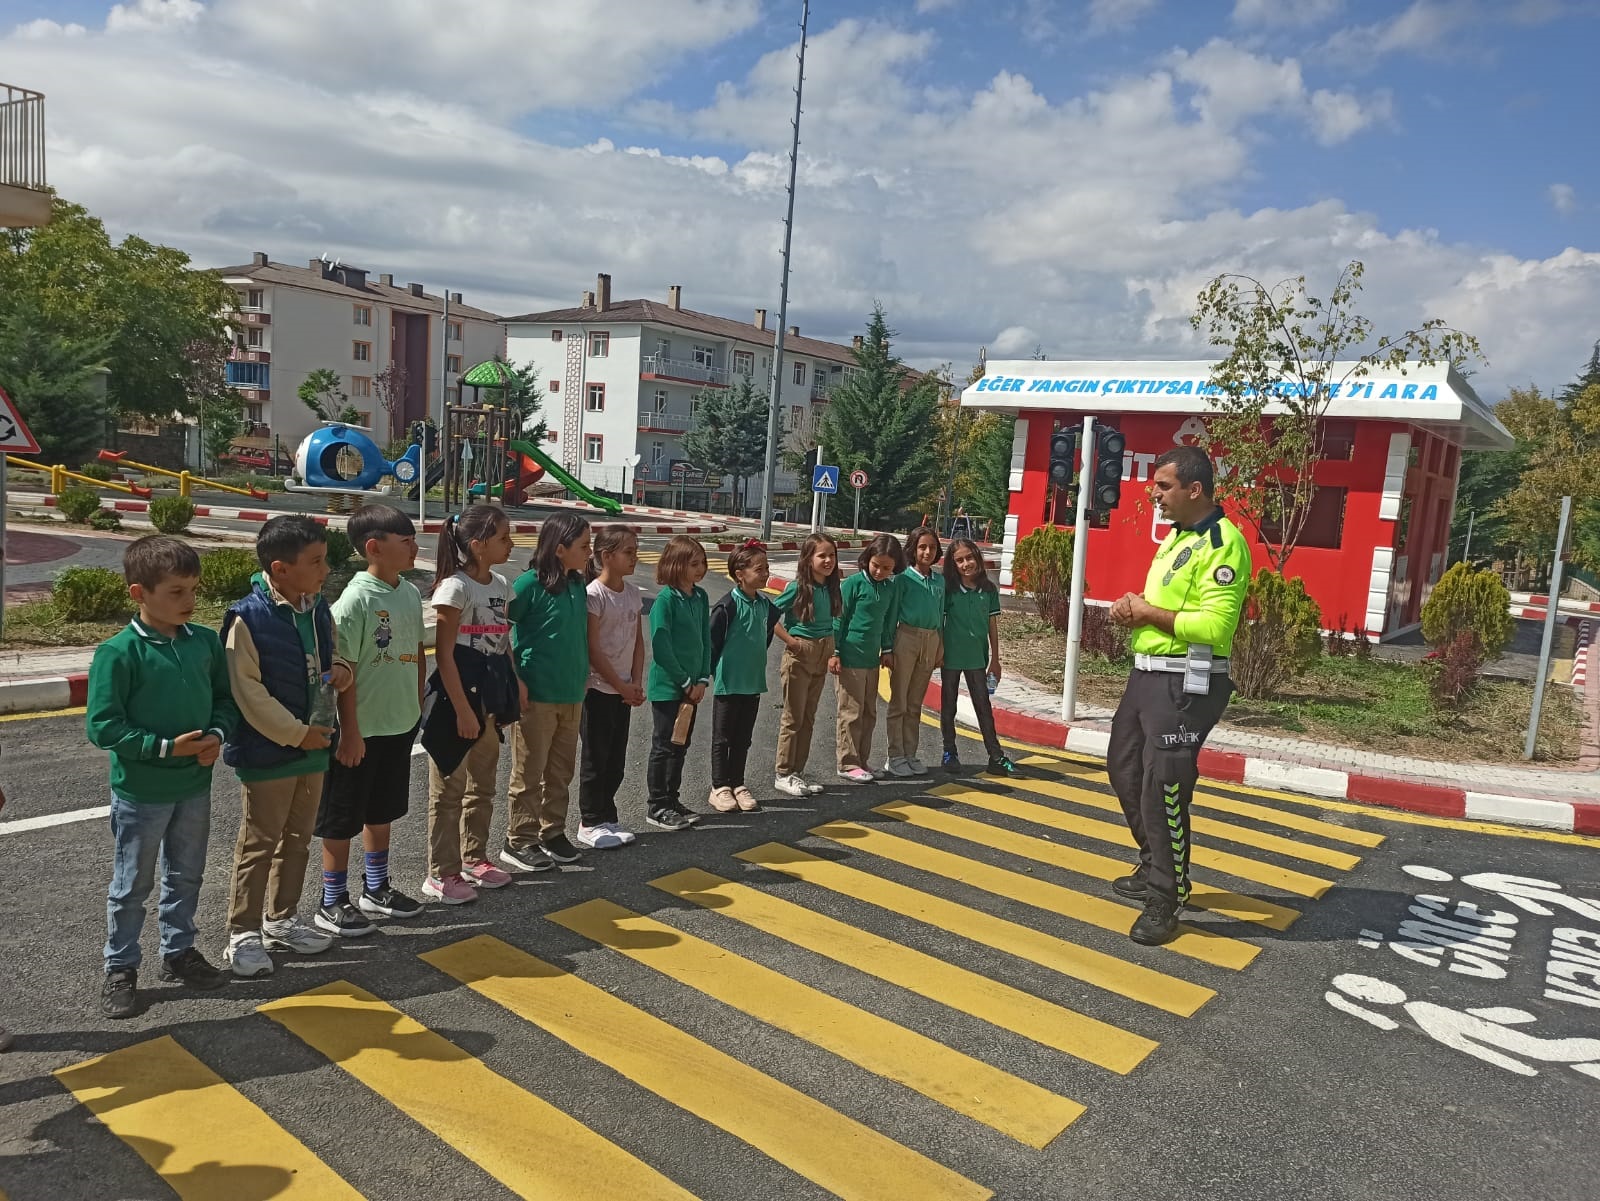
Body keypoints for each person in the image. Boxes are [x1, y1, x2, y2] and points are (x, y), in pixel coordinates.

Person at [87, 536, 239, 1018]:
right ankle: (120, 966)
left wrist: (216, 734)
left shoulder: (205, 642)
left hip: (193, 786)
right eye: (176, 592)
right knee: (132, 882)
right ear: (139, 594)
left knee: (187, 874)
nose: (189, 601)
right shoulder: (119, 652)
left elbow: (225, 701)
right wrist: (165, 747)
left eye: (193, 589)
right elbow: (103, 725)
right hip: (142, 791)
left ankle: (178, 952)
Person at [1106, 445, 1250, 946]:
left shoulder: (1222, 542)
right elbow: (1162, 606)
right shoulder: (1176, 538)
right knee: (1123, 769)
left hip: (1186, 681)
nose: (1153, 494)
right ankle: (1155, 865)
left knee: (1161, 787)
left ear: (1195, 489)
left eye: (1163, 486)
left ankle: (1167, 896)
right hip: (1146, 675)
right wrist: (1134, 610)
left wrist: (1146, 614)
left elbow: (1215, 623)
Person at [221, 516, 350, 978]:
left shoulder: (316, 608)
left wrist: (341, 671)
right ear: (280, 568)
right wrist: (298, 733)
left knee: (297, 838)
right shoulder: (247, 617)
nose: (325, 569)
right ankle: (243, 933)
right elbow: (248, 692)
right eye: (315, 561)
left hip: (314, 743)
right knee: (260, 841)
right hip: (269, 751)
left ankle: (282, 920)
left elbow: (330, 655)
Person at [313, 505, 426, 937]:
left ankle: (375, 888)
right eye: (406, 541)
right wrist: (351, 732)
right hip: (359, 731)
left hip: (399, 723)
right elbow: (346, 674)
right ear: (374, 548)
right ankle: (332, 898)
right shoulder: (355, 601)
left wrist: (416, 704)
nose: (415, 547)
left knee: (383, 811)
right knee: (342, 817)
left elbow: (416, 653)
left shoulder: (410, 593)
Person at [421, 505, 523, 902]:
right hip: (456, 699)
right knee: (448, 790)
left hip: (490, 697)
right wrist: (463, 710)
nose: (510, 544)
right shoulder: (454, 588)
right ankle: (441, 872)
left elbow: (502, 641)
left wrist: (515, 685)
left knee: (482, 786)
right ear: (478, 545)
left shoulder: (500, 585)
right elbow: (443, 655)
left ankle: (474, 857)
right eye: (503, 538)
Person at [506, 513, 593, 869]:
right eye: (584, 546)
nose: (589, 553)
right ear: (559, 549)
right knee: (528, 772)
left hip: (571, 693)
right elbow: (500, 630)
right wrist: (516, 679)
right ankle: (519, 839)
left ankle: (552, 831)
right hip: (537, 694)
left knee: (560, 771)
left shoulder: (576, 584)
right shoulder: (528, 585)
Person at [709, 540, 794, 811]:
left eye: (766, 568)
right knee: (723, 738)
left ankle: (738, 783)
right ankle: (719, 786)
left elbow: (766, 635)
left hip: (752, 681)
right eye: (759, 569)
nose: (765, 573)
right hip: (729, 682)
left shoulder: (765, 607)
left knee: (743, 738)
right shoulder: (727, 607)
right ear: (740, 574)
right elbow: (712, 643)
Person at [579, 525, 646, 849]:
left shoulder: (632, 594)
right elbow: (593, 648)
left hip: (623, 689)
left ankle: (607, 815)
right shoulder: (594, 595)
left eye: (635, 550)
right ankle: (589, 821)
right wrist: (619, 684)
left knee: (616, 758)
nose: (635, 558)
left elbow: (638, 642)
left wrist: (635, 682)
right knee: (596, 757)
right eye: (628, 552)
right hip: (599, 689)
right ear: (606, 556)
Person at [646, 535, 711, 830]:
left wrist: (701, 679)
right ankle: (657, 805)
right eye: (693, 564)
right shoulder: (666, 600)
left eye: (702, 563)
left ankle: (672, 798)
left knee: (680, 744)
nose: (700, 569)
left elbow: (706, 641)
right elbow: (662, 648)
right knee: (664, 745)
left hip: (692, 687)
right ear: (675, 565)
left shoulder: (700, 597)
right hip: (669, 687)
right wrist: (685, 681)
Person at [772, 533, 842, 797]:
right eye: (821, 555)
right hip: (801, 653)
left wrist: (833, 651)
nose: (828, 561)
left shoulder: (831, 588)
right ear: (808, 559)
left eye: (831, 555)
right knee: (793, 716)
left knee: (809, 716)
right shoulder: (798, 587)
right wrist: (791, 641)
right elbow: (770, 615)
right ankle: (783, 772)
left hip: (822, 651)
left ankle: (797, 772)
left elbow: (834, 620)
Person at [939, 539, 1016, 780]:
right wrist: (938, 652)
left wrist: (995, 660)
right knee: (948, 706)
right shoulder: (948, 589)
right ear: (953, 564)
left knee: (983, 706)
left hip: (977, 659)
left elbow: (992, 625)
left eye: (969, 558)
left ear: (977, 558)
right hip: (951, 657)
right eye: (959, 560)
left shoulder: (988, 590)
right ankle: (949, 751)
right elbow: (940, 624)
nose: (966, 564)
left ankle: (995, 756)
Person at [831, 535, 903, 783]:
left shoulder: (890, 588)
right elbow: (839, 620)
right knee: (850, 712)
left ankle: (862, 760)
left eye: (887, 568)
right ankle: (847, 763)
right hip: (850, 657)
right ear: (867, 559)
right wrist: (835, 652)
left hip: (872, 660)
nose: (880, 571)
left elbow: (887, 623)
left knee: (868, 713)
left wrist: (888, 649)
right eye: (876, 565)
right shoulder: (853, 585)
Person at [884, 526, 944, 778]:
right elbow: (891, 616)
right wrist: (887, 648)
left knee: (915, 702)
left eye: (931, 547)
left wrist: (941, 646)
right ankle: (895, 756)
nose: (927, 552)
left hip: (930, 640)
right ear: (913, 549)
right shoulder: (902, 580)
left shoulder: (939, 580)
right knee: (899, 701)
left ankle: (910, 753)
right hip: (905, 638)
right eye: (922, 547)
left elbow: (942, 615)